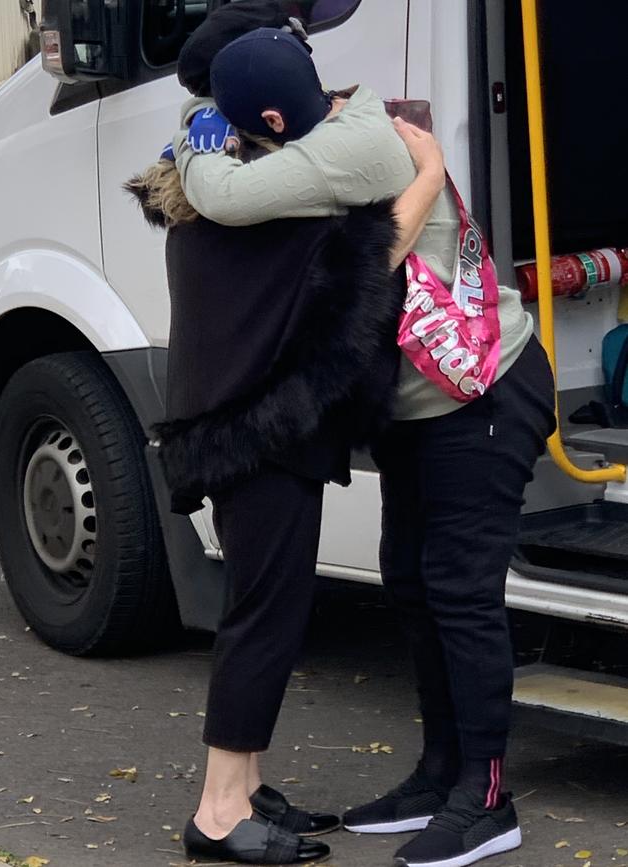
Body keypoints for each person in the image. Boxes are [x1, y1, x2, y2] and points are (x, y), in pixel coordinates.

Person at [172, 25, 556, 867]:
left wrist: (192, 143)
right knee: (413, 581)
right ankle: (439, 772)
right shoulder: (330, 122)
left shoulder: (361, 153)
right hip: (420, 410)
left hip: (483, 391)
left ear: (273, 116)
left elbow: (226, 197)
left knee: (459, 589)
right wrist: (199, 117)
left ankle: (487, 799)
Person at [127, 8, 445, 864]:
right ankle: (221, 811)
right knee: (264, 613)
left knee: (259, 604)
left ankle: (249, 782)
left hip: (228, 426)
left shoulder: (206, 176)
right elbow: (384, 245)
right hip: (258, 432)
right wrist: (434, 165)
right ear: (277, 120)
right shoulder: (281, 203)